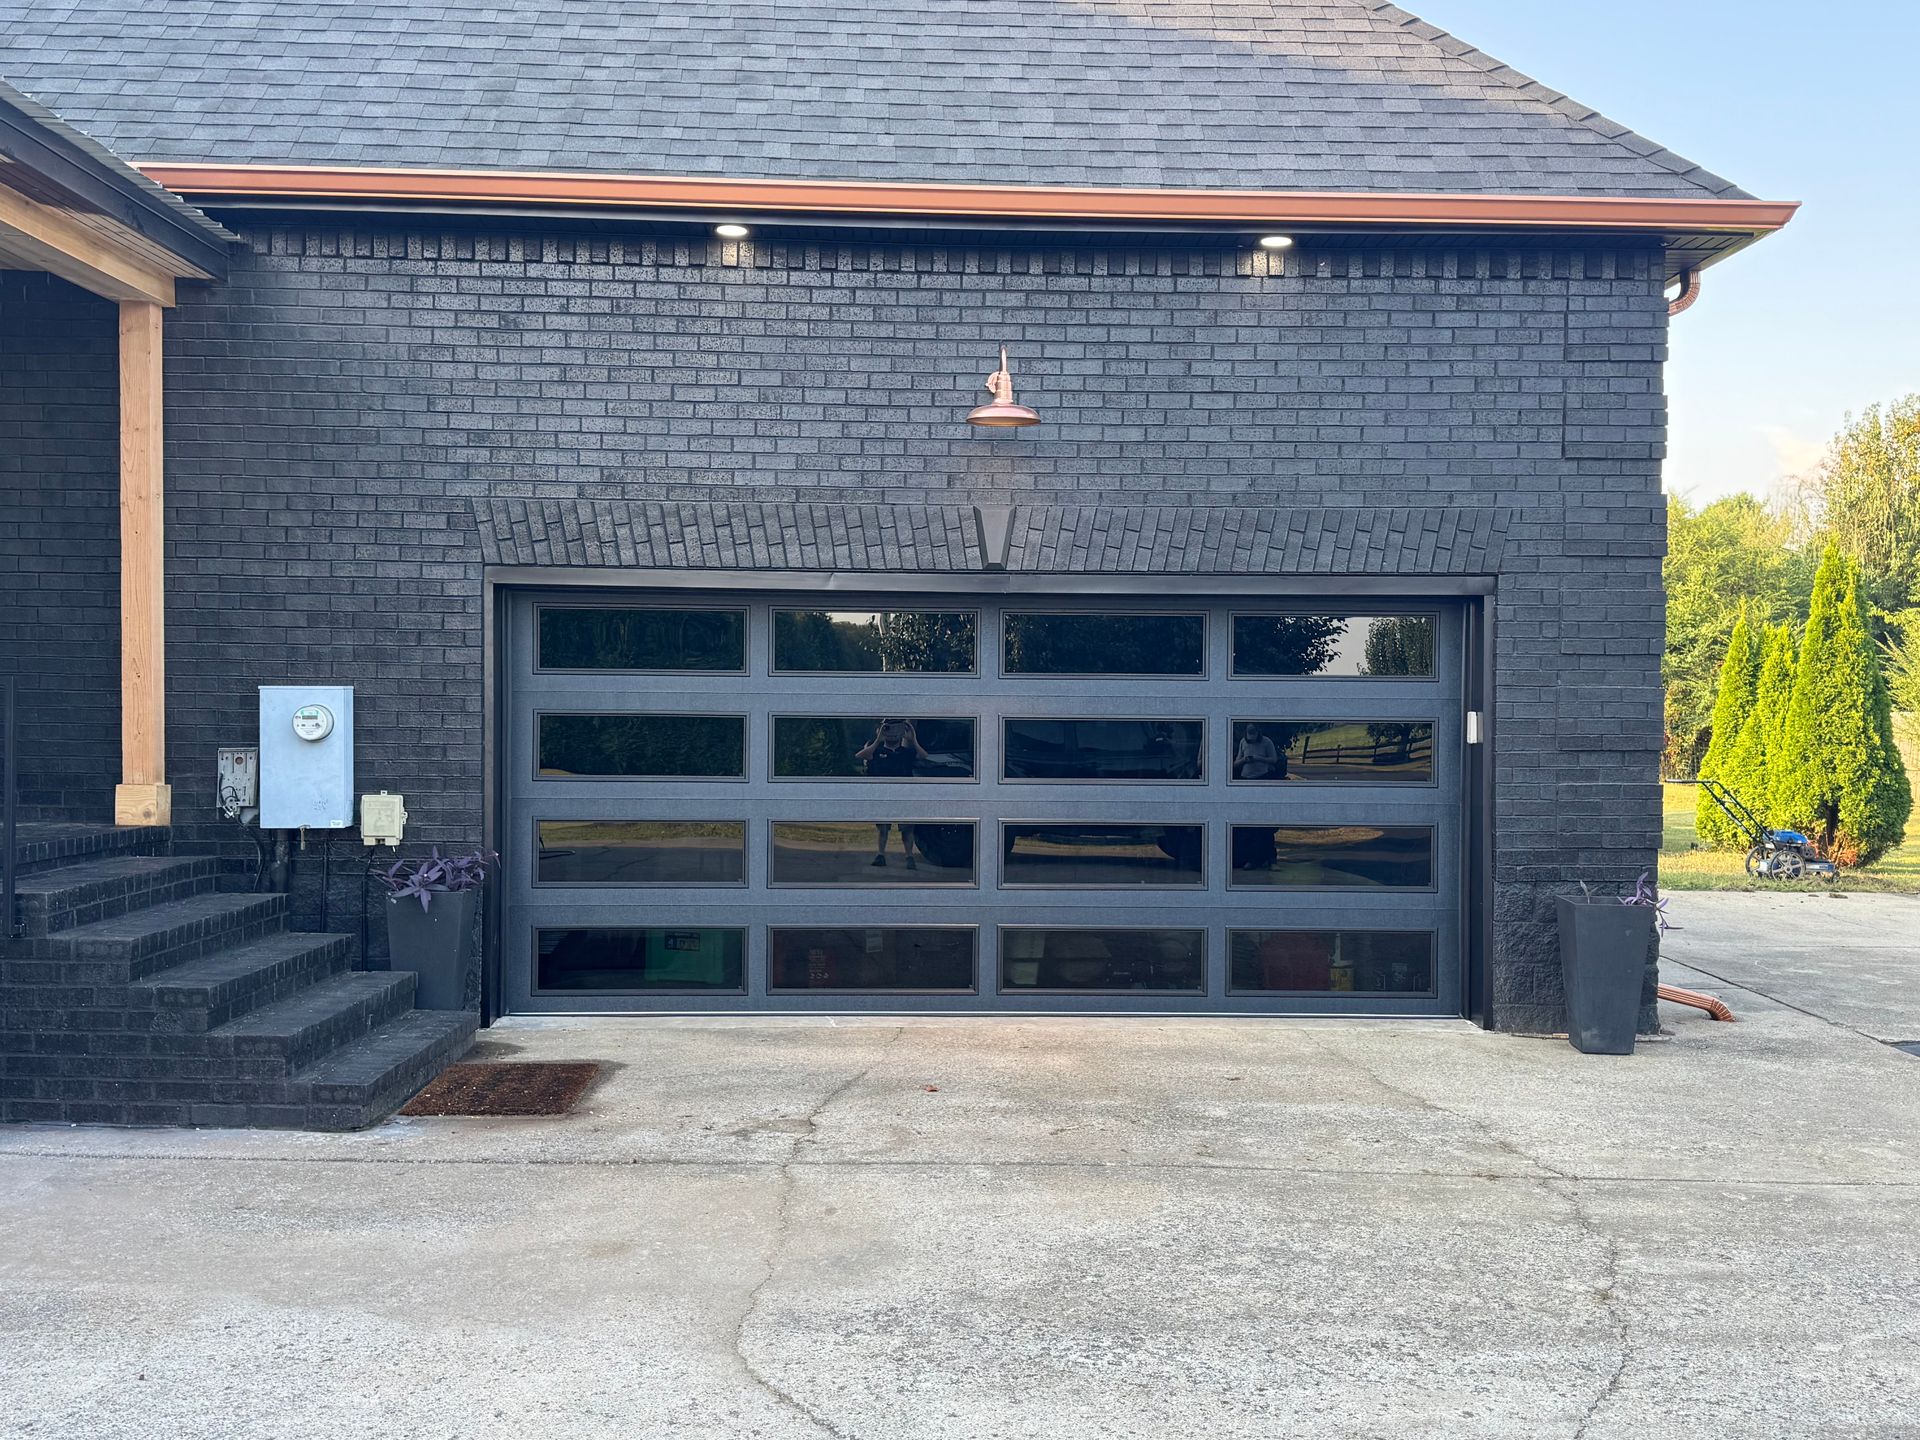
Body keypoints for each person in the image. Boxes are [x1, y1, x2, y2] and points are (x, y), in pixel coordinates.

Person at [855, 719, 928, 867]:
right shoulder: (876, 751)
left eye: (897, 729)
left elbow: (923, 756)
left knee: (907, 829)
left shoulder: (907, 752)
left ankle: (909, 857)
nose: (893, 733)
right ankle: (881, 855)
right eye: (889, 729)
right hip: (883, 797)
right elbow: (860, 756)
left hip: (904, 797)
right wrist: (878, 739)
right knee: (883, 828)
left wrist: (913, 739)